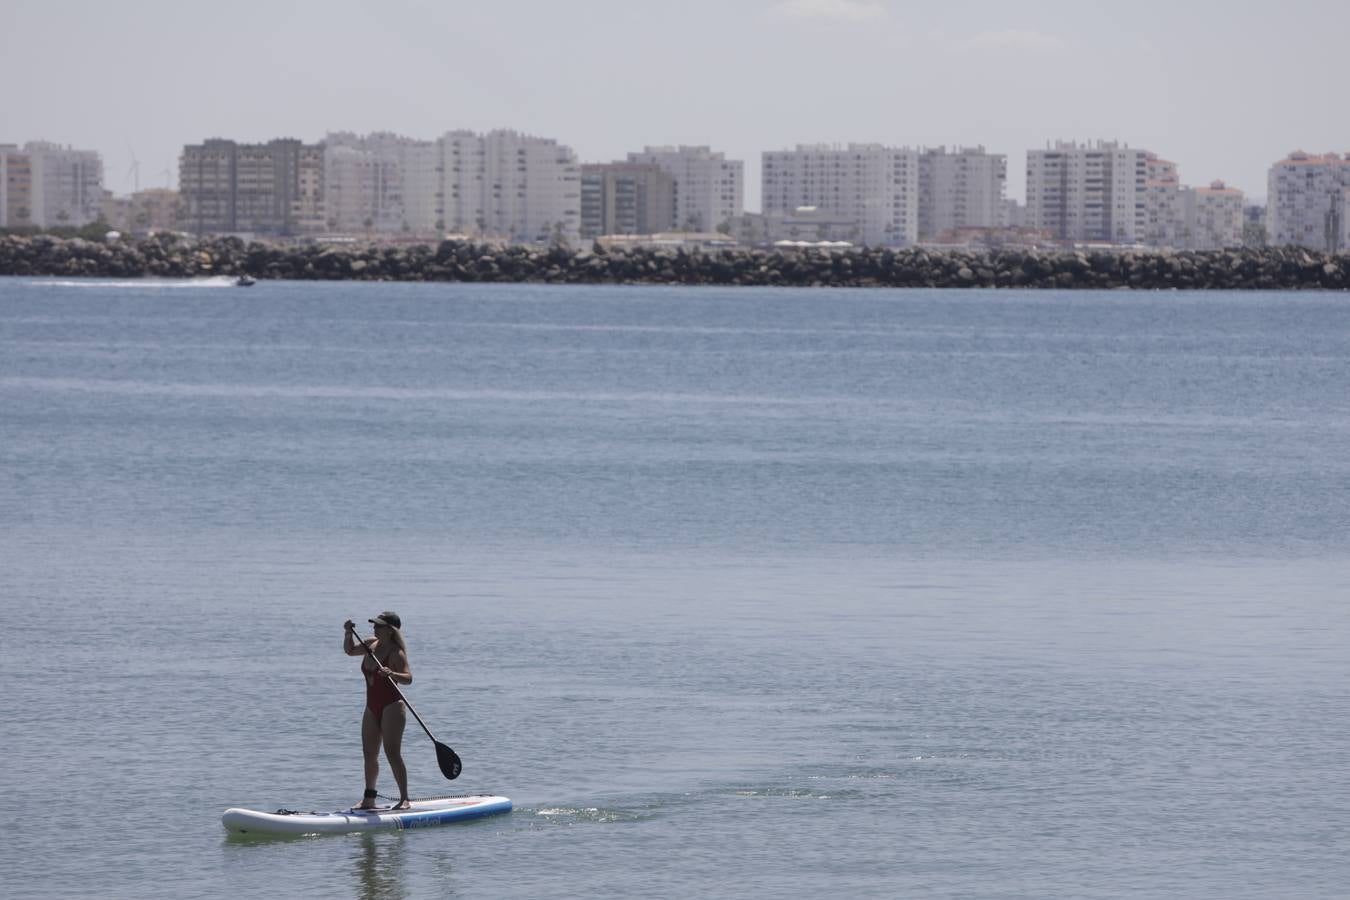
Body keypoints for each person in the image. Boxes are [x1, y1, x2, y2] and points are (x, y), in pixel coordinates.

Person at [343, 612, 413, 810]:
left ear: (390, 630)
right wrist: (348, 633)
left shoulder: (396, 653)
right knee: (369, 754)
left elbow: (408, 678)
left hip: (392, 706)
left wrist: (393, 673)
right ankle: (369, 798)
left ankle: (404, 798)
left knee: (392, 753)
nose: (375, 628)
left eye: (379, 626)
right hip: (371, 707)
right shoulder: (369, 644)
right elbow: (349, 650)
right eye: (374, 625)